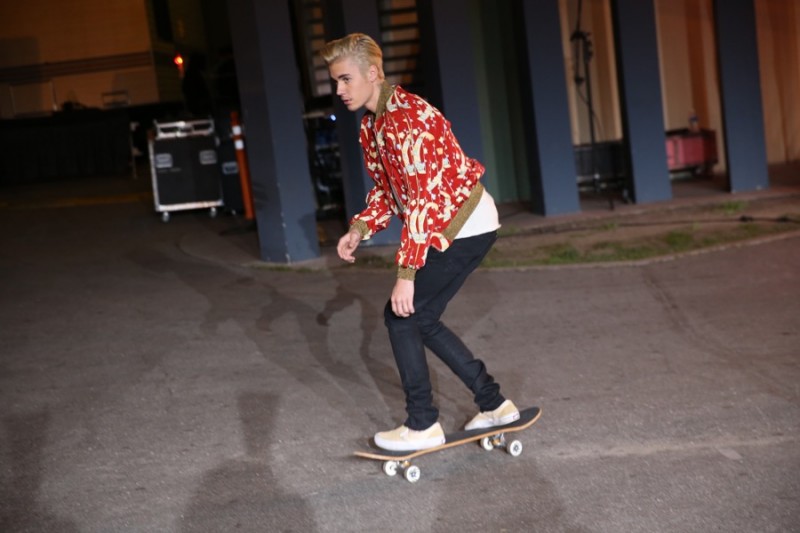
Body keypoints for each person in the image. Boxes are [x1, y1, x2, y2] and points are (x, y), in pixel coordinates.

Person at [321, 33, 519, 452]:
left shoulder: (404, 119)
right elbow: (389, 192)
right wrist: (359, 229)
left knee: (402, 316)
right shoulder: (374, 125)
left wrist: (405, 275)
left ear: (372, 74)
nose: (338, 90)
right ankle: (495, 405)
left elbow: (422, 200)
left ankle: (422, 423)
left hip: (464, 224)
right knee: (420, 318)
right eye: (334, 81)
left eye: (344, 79)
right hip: (450, 223)